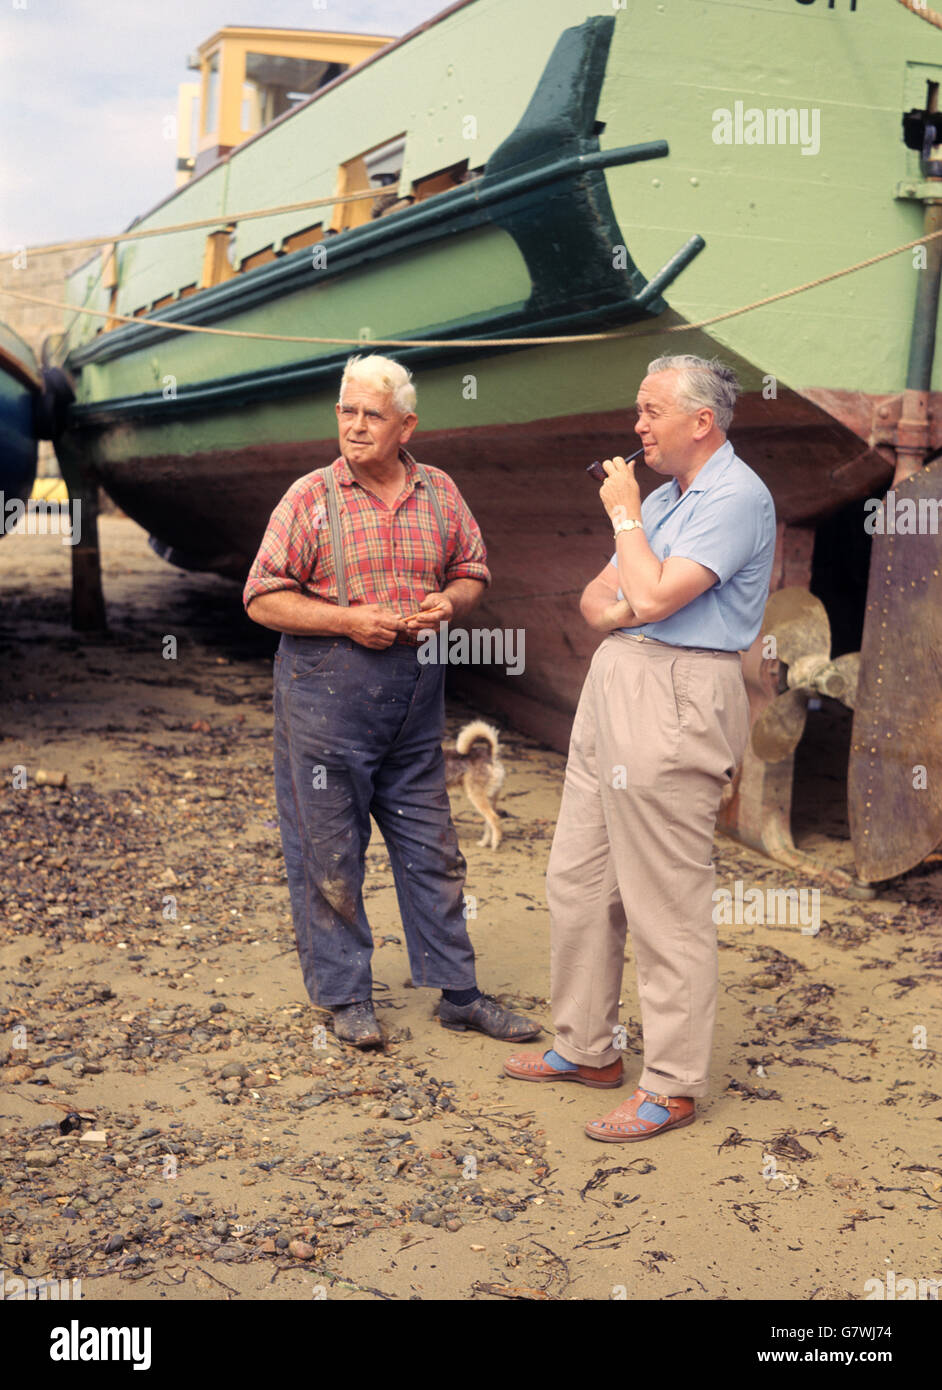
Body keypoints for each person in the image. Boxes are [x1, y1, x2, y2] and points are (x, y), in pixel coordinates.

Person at [504, 354, 776, 1140]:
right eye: (638, 410)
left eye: (651, 411)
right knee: (579, 877)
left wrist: (626, 529)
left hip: (680, 691)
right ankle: (586, 1048)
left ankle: (673, 1084)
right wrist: (633, 595)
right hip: (616, 682)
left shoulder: (736, 496)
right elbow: (596, 600)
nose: (637, 427)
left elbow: (648, 594)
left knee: (666, 899)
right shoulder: (666, 496)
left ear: (702, 421)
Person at [243, 354, 540, 1048]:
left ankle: (459, 993)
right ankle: (346, 996)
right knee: (329, 853)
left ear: (406, 425)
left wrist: (451, 601)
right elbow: (260, 597)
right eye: (346, 411)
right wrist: (347, 620)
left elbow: (473, 570)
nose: (354, 426)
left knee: (432, 849)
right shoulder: (309, 498)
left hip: (413, 704)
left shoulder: (439, 493)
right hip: (325, 702)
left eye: (371, 414)